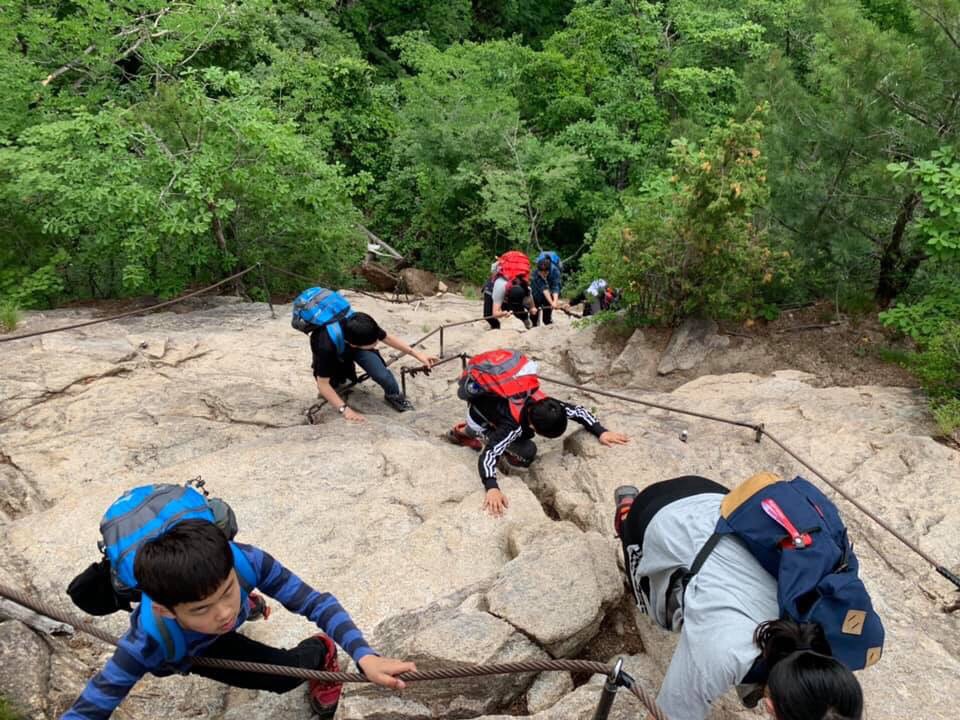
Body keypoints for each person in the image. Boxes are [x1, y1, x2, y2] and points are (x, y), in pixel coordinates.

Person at [61, 520, 416, 720]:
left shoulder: (246, 561)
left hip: (201, 619)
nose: (223, 613)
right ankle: (245, 604)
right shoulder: (148, 641)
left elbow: (316, 603)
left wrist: (365, 654)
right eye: (202, 607)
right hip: (185, 643)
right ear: (165, 610)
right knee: (169, 662)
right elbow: (93, 703)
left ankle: (321, 651)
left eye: (227, 591)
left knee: (282, 676)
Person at [612, 473, 877, 720]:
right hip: (658, 512)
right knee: (655, 608)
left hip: (725, 504)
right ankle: (626, 512)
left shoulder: (838, 628)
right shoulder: (723, 651)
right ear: (770, 707)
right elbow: (666, 715)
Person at [448, 349, 628, 516]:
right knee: (527, 451)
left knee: (513, 438)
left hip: (494, 405)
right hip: (479, 417)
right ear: (534, 427)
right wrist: (492, 487)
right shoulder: (512, 426)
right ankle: (461, 432)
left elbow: (578, 412)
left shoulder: (544, 403)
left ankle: (480, 434)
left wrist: (601, 432)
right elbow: (489, 454)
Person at [312, 312, 436, 422]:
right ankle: (339, 384)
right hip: (334, 351)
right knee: (336, 382)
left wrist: (417, 354)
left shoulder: (363, 327)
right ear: (354, 345)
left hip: (355, 344)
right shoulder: (325, 347)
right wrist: (345, 410)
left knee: (382, 375)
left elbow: (386, 338)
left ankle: (393, 396)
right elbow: (323, 384)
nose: (377, 343)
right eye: (374, 343)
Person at [482, 251, 537, 329]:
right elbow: (495, 313)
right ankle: (495, 326)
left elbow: (529, 295)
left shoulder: (523, 283)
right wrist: (503, 313)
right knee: (488, 315)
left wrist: (532, 308)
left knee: (517, 308)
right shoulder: (500, 285)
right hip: (492, 289)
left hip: (512, 293)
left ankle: (525, 319)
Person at [530, 255, 561, 326]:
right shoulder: (535, 273)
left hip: (550, 293)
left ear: (548, 271)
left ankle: (548, 322)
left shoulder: (555, 272)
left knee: (546, 319)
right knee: (534, 317)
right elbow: (544, 289)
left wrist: (555, 302)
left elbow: (555, 287)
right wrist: (552, 303)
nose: (543, 275)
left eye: (545, 273)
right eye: (541, 273)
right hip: (536, 292)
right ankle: (534, 324)